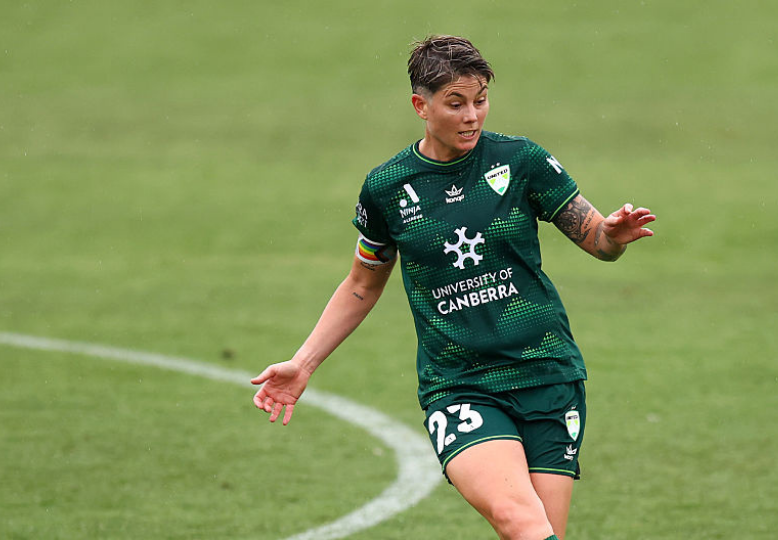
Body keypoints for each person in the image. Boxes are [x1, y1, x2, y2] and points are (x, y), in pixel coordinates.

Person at [251, 35, 655, 540]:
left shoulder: (521, 160)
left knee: (537, 531)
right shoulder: (388, 188)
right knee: (521, 521)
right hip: (461, 384)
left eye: (480, 100)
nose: (471, 116)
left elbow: (598, 241)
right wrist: (304, 363)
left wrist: (613, 236)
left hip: (547, 374)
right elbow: (361, 284)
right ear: (421, 106)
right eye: (456, 103)